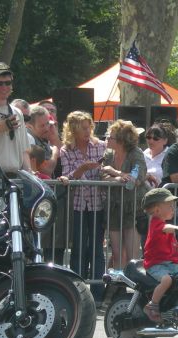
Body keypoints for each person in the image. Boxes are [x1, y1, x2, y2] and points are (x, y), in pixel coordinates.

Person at [58, 110, 107, 304]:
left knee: (96, 247)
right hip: (78, 203)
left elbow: (107, 171)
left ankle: (97, 294)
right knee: (78, 247)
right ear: (73, 130)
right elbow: (67, 177)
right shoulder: (66, 150)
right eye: (82, 128)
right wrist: (82, 169)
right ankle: (77, 292)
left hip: (97, 202)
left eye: (89, 128)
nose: (87, 132)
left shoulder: (101, 146)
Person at [141, 188, 178, 323]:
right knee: (166, 280)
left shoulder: (168, 229)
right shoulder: (156, 224)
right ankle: (152, 305)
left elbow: (174, 247)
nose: (173, 209)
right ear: (157, 210)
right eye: (169, 206)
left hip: (168, 264)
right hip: (155, 264)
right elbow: (165, 228)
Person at [101, 119, 148, 267]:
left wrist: (114, 172)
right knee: (116, 254)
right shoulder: (109, 154)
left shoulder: (136, 154)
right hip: (114, 207)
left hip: (133, 208)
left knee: (132, 256)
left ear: (121, 140)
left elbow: (135, 179)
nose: (107, 139)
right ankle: (119, 288)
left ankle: (133, 287)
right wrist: (120, 177)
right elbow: (102, 176)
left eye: (111, 137)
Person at [143, 122, 170, 188]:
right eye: (148, 137)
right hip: (141, 195)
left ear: (165, 141)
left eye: (156, 138)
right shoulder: (143, 153)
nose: (151, 141)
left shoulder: (170, 155)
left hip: (161, 195)